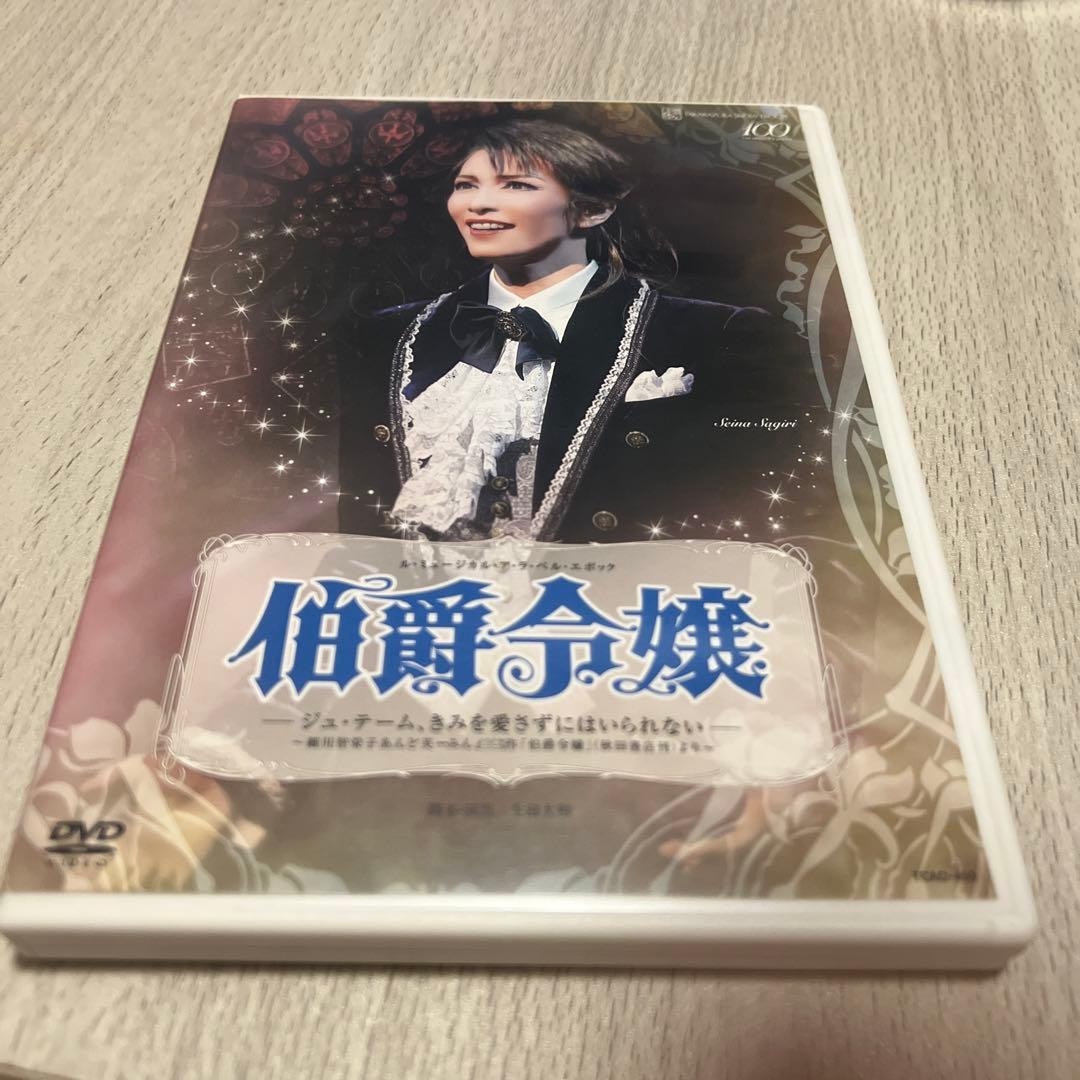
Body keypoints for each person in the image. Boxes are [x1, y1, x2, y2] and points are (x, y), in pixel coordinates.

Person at [339, 119, 819, 543]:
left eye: (516, 185)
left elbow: (756, 508)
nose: (478, 204)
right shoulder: (387, 336)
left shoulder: (717, 333)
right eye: (466, 185)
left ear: (593, 209)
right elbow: (352, 512)